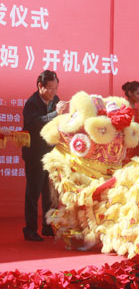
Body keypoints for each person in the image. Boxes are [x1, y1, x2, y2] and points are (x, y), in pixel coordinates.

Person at [22, 70, 67, 241]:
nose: (53, 93)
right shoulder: (31, 103)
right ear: (40, 86)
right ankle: (30, 229)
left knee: (49, 193)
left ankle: (47, 226)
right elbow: (34, 124)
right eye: (50, 89)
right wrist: (56, 113)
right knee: (33, 192)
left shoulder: (55, 100)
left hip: (51, 153)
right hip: (34, 154)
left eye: (55, 89)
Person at [121, 81, 139, 164]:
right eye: (138, 94)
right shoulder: (122, 109)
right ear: (130, 93)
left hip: (137, 147)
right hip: (125, 147)